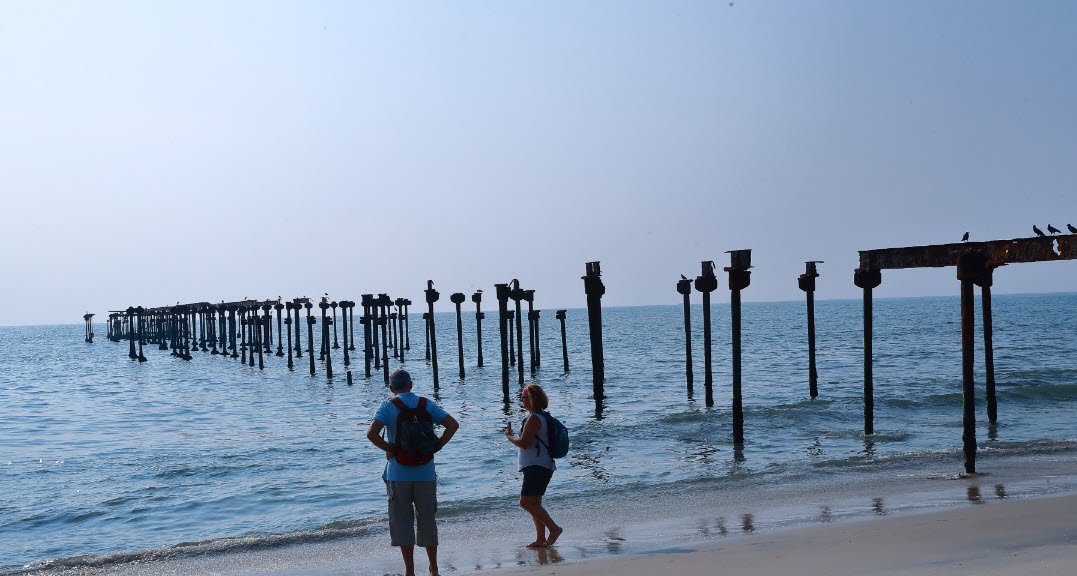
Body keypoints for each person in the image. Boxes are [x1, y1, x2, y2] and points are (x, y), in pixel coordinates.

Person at [367, 369, 459, 576]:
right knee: (427, 520)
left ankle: (410, 571)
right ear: (411, 384)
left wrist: (391, 449)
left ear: (391, 388)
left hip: (398, 473)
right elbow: (453, 425)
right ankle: (433, 569)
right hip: (426, 472)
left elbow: (371, 434)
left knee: (402, 522)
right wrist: (438, 446)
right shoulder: (426, 404)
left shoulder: (387, 406)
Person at [504, 383, 563, 548]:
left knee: (526, 502)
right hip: (541, 465)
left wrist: (509, 436)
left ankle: (554, 528)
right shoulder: (540, 416)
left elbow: (523, 442)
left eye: (523, 398)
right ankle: (540, 539)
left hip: (537, 466)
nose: (521, 401)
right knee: (535, 504)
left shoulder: (535, 418)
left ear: (530, 399)